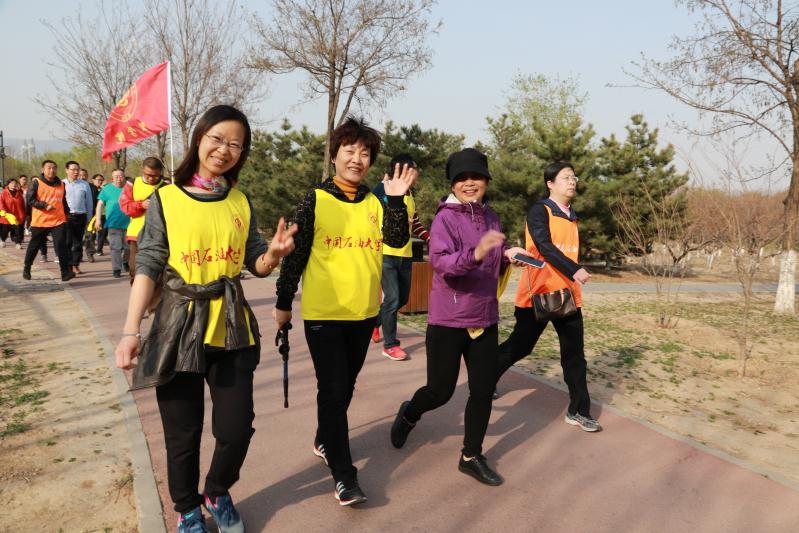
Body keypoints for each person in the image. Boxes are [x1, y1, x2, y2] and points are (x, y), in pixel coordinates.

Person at [114, 104, 297, 533]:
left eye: (236, 144)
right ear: (199, 139)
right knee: (183, 434)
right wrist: (130, 330)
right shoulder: (166, 199)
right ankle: (187, 509)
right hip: (177, 327)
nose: (224, 150)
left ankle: (217, 490)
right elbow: (149, 264)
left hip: (231, 328)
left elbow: (256, 261)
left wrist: (273, 255)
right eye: (217, 139)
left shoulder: (239, 201)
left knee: (237, 428)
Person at [273, 116, 414, 506]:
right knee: (334, 391)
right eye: (349, 151)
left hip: (363, 314)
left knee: (345, 387)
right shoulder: (315, 199)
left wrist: (396, 200)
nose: (356, 159)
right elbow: (295, 255)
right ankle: (344, 475)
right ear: (334, 156)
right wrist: (283, 303)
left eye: (364, 153)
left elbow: (397, 238)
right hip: (324, 315)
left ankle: (324, 439)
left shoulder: (374, 202)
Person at [389, 148, 529, 486]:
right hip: (449, 319)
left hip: (484, 316)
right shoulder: (445, 219)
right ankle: (410, 412)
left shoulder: (491, 216)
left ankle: (471, 455)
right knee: (440, 391)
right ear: (453, 184)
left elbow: (492, 254)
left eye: (476, 177)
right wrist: (476, 253)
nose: (469, 183)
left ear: (486, 180)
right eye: (462, 178)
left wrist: (507, 255)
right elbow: (442, 263)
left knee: (482, 390)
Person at [495, 162, 601, 432]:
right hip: (538, 294)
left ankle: (579, 411)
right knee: (520, 347)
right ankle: (484, 377)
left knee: (574, 356)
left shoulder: (572, 216)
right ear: (550, 184)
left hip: (568, 296)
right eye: (565, 177)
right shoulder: (540, 210)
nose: (572, 181)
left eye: (574, 177)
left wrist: (572, 274)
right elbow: (545, 246)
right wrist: (574, 269)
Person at [370, 153, 431, 361]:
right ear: (404, 171)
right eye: (415, 170)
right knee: (393, 298)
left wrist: (430, 238)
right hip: (385, 254)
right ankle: (390, 345)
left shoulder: (410, 194)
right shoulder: (380, 190)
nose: (417, 175)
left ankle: (375, 322)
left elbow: (415, 222)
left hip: (405, 255)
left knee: (402, 298)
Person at [23, 160, 74, 281]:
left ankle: (65, 273)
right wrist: (44, 205)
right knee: (34, 246)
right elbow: (30, 200)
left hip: (58, 220)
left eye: (54, 168)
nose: (52, 170)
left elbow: (62, 201)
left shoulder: (61, 184)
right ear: (43, 170)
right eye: (49, 168)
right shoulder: (36, 182)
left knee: (61, 245)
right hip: (41, 221)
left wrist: (67, 213)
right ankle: (27, 268)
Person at [119, 157, 164, 282]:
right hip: (136, 233)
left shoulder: (166, 186)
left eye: (155, 176)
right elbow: (125, 207)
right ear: (142, 169)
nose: (151, 178)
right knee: (135, 268)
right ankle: (137, 290)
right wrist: (141, 205)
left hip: (158, 234)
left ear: (160, 172)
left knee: (158, 269)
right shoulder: (132, 184)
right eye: (147, 175)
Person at [95, 170, 130, 278]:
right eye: (116, 177)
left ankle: (125, 261)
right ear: (112, 178)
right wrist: (98, 220)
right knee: (116, 248)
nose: (119, 179)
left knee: (128, 248)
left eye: (121, 176)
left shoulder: (129, 188)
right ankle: (116, 269)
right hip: (113, 224)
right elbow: (100, 204)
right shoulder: (107, 189)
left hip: (129, 223)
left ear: (124, 177)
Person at [63, 160, 94, 274]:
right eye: (73, 170)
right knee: (67, 242)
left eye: (77, 170)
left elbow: (89, 202)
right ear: (67, 170)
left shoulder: (84, 184)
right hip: (66, 217)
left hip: (81, 216)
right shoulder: (61, 184)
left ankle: (75, 264)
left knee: (78, 243)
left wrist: (89, 218)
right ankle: (68, 265)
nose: (76, 172)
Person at [0, 178, 26, 248]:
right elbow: (1, 202)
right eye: (12, 183)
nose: (14, 185)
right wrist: (3, 210)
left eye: (15, 183)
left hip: (18, 215)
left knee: (18, 230)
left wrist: (24, 213)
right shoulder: (4, 193)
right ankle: (3, 240)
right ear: (8, 184)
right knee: (5, 229)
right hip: (7, 215)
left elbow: (22, 204)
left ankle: (18, 243)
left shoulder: (19, 193)